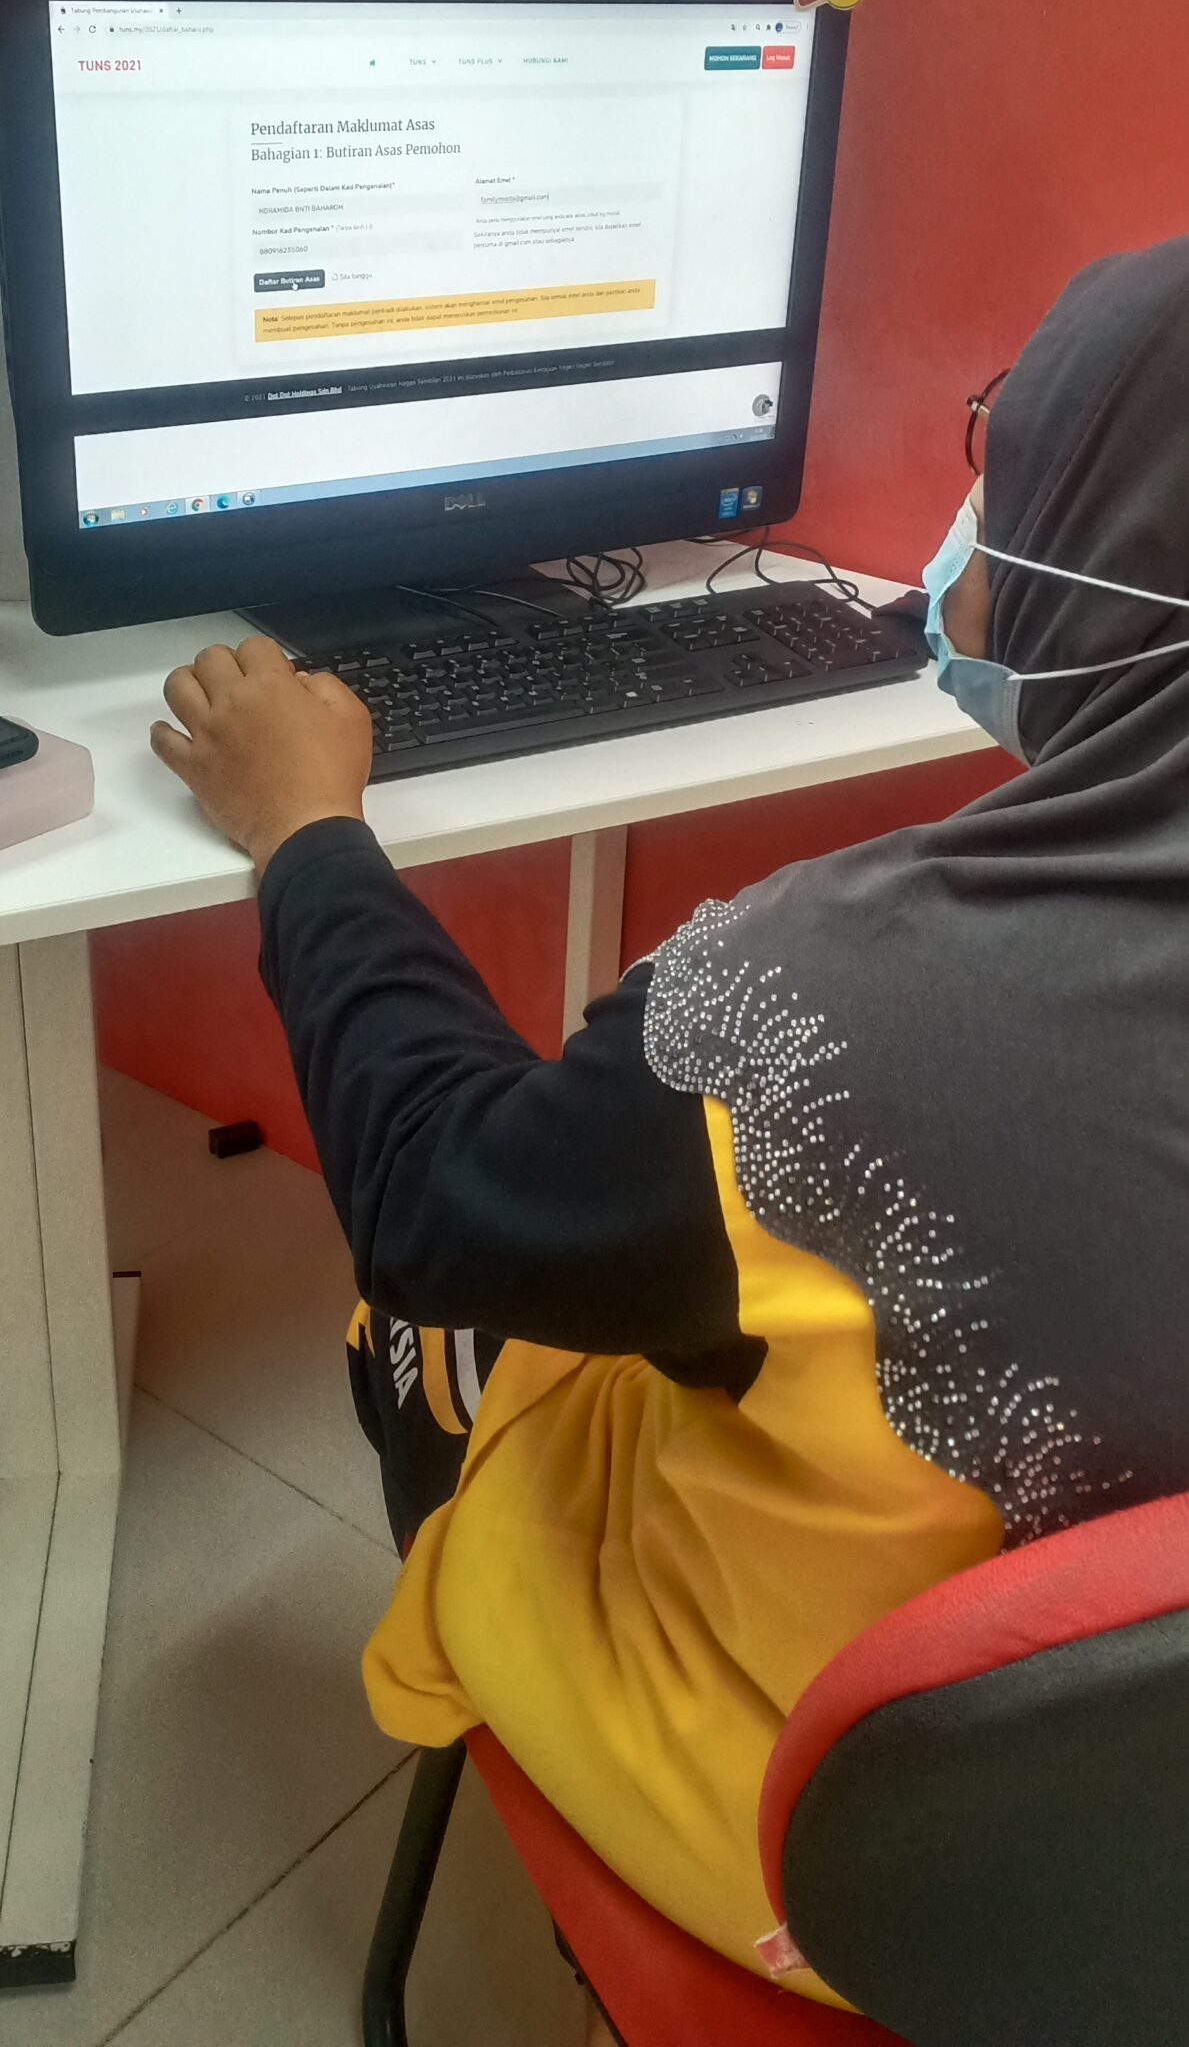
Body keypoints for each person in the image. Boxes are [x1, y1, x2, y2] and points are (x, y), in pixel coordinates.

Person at [151, 238, 1189, 2031]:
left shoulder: (824, 1022)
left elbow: (432, 1193)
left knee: (444, 1306)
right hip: (1138, 1879)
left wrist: (305, 832)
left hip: (853, 1869)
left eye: (1008, 458)